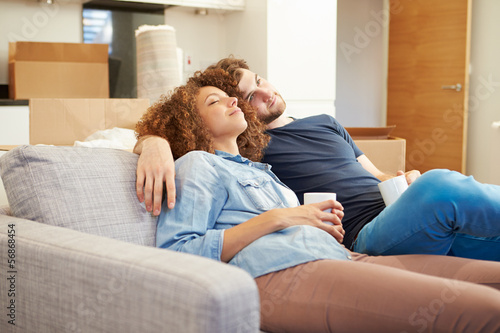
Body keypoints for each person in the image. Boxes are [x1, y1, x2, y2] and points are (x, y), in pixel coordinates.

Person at [135, 68, 500, 333]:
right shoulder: (198, 164)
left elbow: (376, 175)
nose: (235, 100)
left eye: (248, 87)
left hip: (343, 254)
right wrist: (153, 142)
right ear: (189, 123)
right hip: (284, 270)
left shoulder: (262, 171)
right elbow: (176, 254)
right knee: (486, 310)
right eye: (217, 99)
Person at [134, 57, 500, 262]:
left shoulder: (326, 123)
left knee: (467, 233)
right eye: (249, 97)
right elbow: (175, 127)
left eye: (260, 80)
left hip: (400, 212)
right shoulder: (247, 151)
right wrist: (153, 143)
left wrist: (406, 180)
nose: (265, 92)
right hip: (362, 235)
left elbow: (376, 174)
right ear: (235, 109)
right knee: (442, 184)